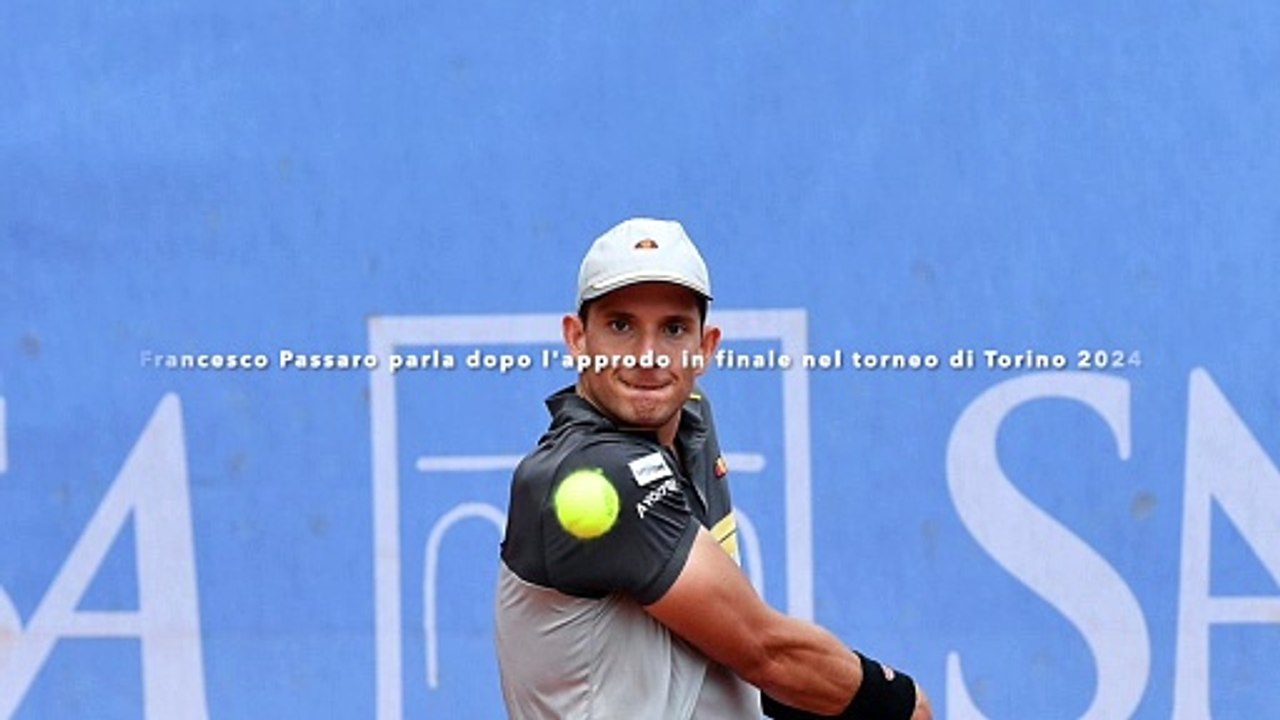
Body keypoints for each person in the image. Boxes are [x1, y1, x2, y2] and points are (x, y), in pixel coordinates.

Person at [495, 217, 933, 719]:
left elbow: (720, 642)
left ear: (706, 347)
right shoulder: (597, 477)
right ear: (577, 339)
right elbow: (763, 651)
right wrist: (898, 703)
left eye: (674, 329)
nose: (649, 356)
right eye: (621, 326)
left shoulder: (689, 424)